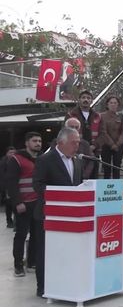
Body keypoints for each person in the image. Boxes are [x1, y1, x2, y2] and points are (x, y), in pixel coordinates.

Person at [33, 127, 82, 296]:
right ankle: (43, 286)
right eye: (73, 143)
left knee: (65, 251)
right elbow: (38, 185)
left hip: (71, 216)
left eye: (78, 142)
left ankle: (64, 281)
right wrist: (61, 196)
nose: (77, 146)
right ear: (61, 142)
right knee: (45, 251)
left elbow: (78, 186)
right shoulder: (45, 159)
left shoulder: (77, 161)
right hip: (49, 214)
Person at [5, 132, 41, 277]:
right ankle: (18, 265)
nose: (38, 143)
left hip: (38, 203)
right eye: (34, 141)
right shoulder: (16, 159)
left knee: (36, 235)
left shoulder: (42, 158)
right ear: (27, 143)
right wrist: (18, 202)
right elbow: (11, 182)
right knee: (21, 235)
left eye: (39, 141)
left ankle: (32, 262)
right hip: (23, 205)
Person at [65, 90, 101, 176]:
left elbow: (102, 133)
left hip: (94, 150)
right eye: (83, 98)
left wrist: (94, 146)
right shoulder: (71, 114)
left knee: (94, 176)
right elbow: (66, 132)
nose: (86, 100)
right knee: (78, 176)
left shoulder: (97, 116)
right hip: (77, 151)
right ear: (79, 100)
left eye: (88, 98)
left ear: (91, 101)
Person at [97, 96, 123, 180]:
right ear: (107, 104)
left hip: (118, 146)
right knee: (106, 168)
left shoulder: (121, 116)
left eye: (115, 103)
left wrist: (118, 144)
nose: (113, 105)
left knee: (117, 167)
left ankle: (116, 189)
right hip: (106, 145)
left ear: (118, 105)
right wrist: (112, 144)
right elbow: (103, 131)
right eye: (111, 103)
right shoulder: (102, 116)